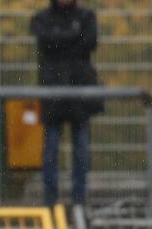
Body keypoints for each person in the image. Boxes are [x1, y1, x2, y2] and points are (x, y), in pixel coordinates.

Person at [31, 0, 103, 206]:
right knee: (51, 149)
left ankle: (79, 201)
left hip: (79, 91)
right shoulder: (43, 17)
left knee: (81, 150)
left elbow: (90, 42)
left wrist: (59, 38)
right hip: (53, 91)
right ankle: (50, 202)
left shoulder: (87, 16)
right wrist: (73, 35)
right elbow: (45, 42)